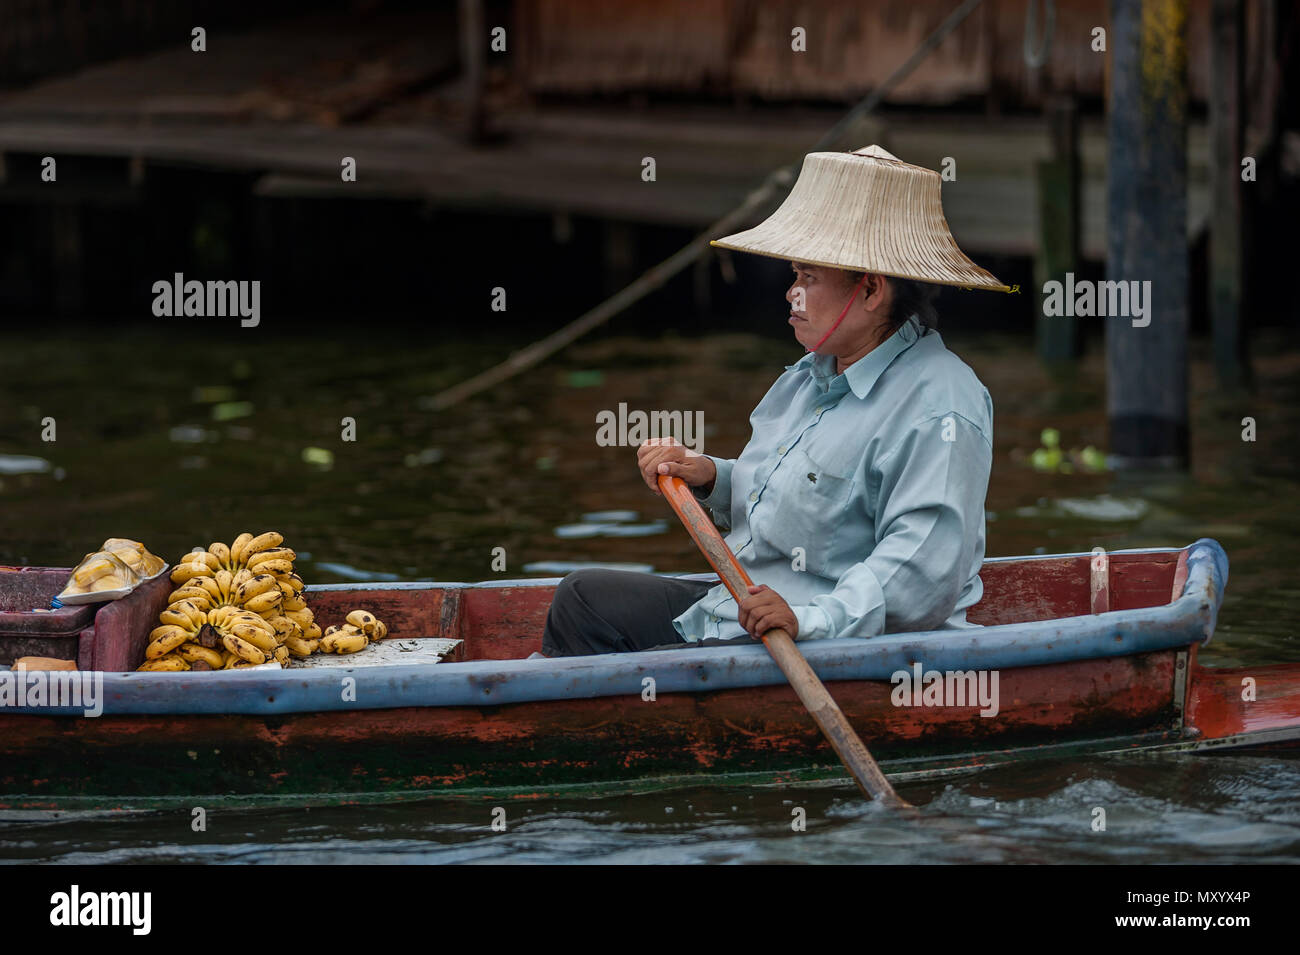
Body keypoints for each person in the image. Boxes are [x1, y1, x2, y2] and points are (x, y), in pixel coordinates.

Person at [539, 145, 1012, 658]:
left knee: (582, 611)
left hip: (835, 645)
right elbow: (786, 499)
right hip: (750, 607)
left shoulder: (942, 404)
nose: (792, 293)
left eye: (808, 278)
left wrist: (811, 620)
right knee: (584, 600)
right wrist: (711, 477)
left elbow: (921, 573)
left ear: (872, 290)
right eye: (794, 276)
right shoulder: (814, 372)